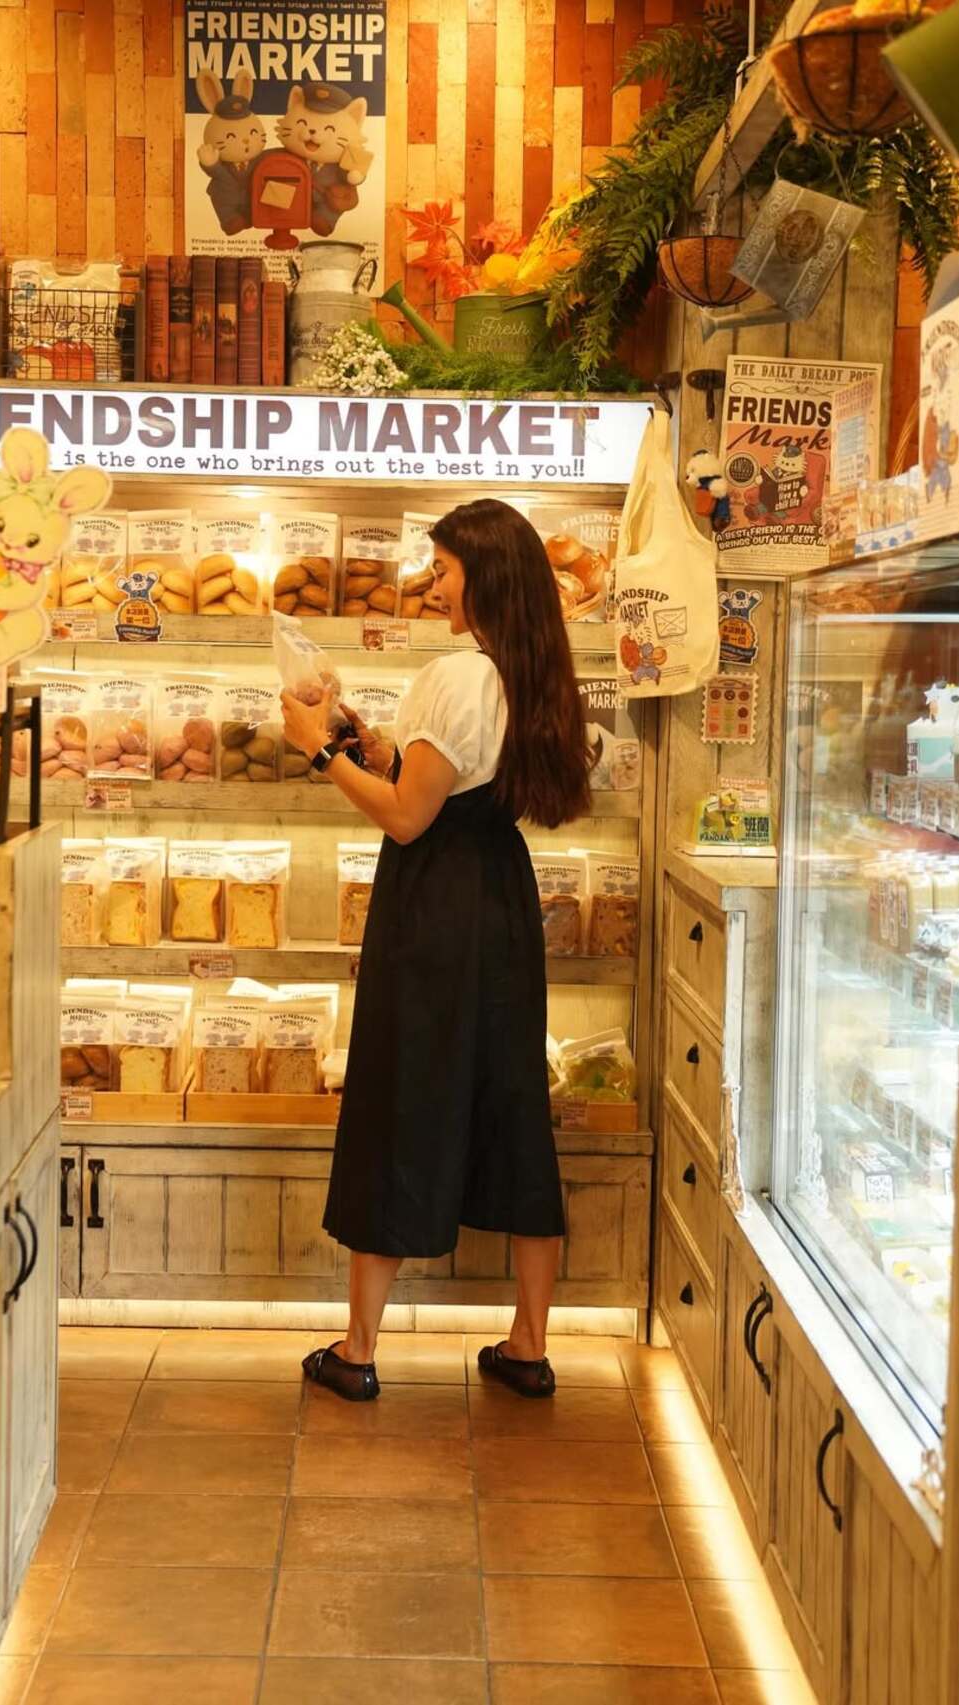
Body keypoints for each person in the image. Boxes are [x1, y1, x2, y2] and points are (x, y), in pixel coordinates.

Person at [279, 497, 592, 1403]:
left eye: (445, 569)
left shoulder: (457, 673)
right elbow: (447, 778)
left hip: (434, 909)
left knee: (398, 1096)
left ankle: (357, 1347)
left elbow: (411, 816)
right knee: (511, 1105)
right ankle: (529, 1344)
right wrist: (368, 741)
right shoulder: (529, 669)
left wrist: (315, 753)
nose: (431, 581)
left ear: (483, 577)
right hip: (500, 901)